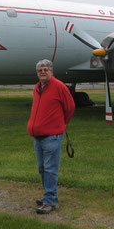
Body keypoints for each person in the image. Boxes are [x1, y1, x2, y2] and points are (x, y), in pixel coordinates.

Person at [27, 59, 75, 214]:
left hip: (52, 136)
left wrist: (60, 124)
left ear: (51, 71)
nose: (42, 72)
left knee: (50, 169)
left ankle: (49, 201)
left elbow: (70, 107)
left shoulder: (59, 87)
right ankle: (50, 195)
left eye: (45, 69)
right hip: (38, 136)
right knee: (42, 169)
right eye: (40, 70)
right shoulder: (37, 87)